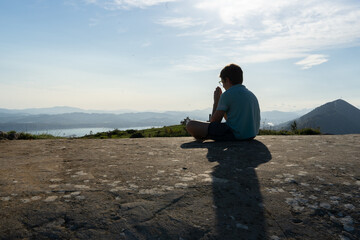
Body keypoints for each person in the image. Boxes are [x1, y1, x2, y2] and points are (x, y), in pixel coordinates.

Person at [186, 63, 260, 141]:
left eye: (222, 82)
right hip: (251, 135)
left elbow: (214, 122)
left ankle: (205, 136)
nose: (223, 86)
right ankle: (206, 136)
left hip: (235, 135)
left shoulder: (228, 94)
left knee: (191, 125)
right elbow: (232, 119)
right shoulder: (250, 94)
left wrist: (216, 102)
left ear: (227, 80)